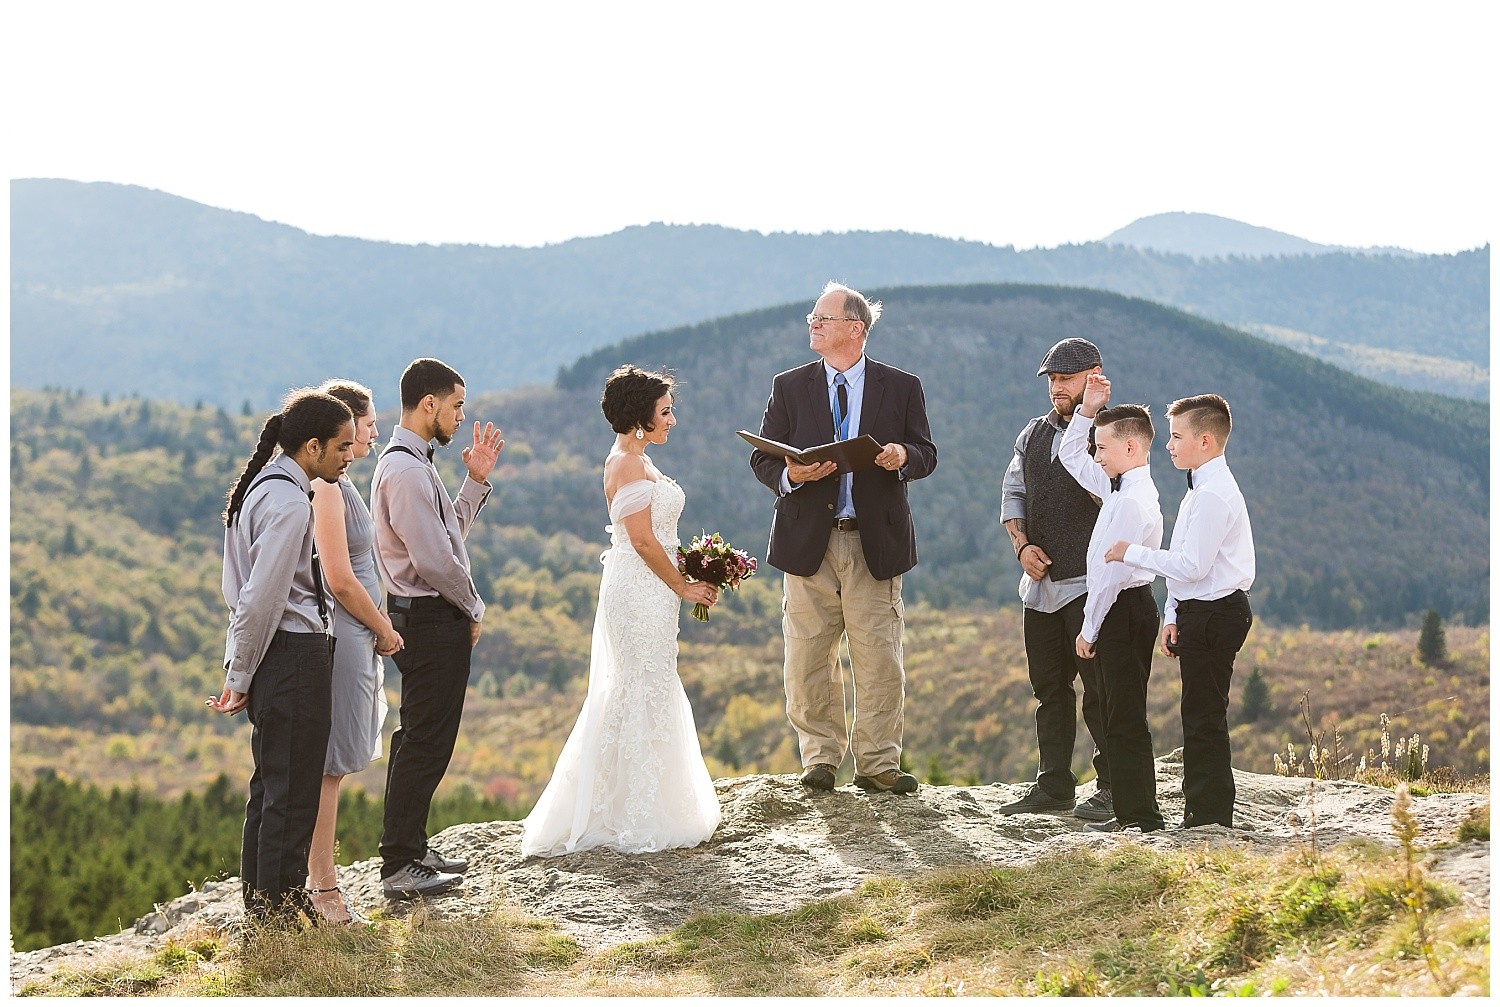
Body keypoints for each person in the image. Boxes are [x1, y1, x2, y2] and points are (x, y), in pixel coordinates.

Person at [521, 365, 722, 856]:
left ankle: (643, 799)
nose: (673, 420)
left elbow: (657, 535)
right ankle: (627, 811)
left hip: (651, 587)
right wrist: (682, 586)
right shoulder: (626, 464)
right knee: (639, 683)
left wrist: (698, 566)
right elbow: (640, 538)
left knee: (650, 682)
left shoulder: (638, 458)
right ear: (640, 418)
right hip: (640, 588)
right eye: (666, 412)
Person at [750, 281, 937, 795]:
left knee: (879, 657)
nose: (812, 323)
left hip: (873, 542)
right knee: (808, 656)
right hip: (807, 541)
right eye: (813, 317)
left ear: (855, 329)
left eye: (822, 317)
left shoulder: (901, 386)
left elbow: (927, 453)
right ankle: (820, 759)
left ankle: (878, 764)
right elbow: (762, 458)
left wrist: (902, 457)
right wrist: (792, 476)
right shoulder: (788, 385)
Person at [211, 388, 355, 925]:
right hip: (291, 653)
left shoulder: (261, 488)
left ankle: (263, 911)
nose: (349, 455)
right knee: (292, 795)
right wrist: (240, 671)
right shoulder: (292, 502)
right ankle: (280, 916)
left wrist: (242, 666)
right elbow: (262, 596)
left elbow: (246, 591)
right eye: (341, 447)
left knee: (271, 787)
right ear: (312, 447)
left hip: (275, 655)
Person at [371, 358, 504, 899]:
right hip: (428, 620)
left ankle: (411, 847)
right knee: (426, 740)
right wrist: (473, 606)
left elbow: (448, 536)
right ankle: (400, 863)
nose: (459, 418)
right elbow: (433, 561)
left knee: (422, 737)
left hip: (428, 617)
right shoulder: (403, 469)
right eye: (456, 407)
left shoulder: (414, 463)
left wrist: (474, 483)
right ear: (429, 404)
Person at [1105, 393, 1254, 829]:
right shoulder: (1200, 489)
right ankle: (1201, 810)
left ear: (1205, 441)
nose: (1168, 445)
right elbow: (1188, 569)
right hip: (1198, 611)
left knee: (1205, 716)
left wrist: (1133, 553)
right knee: (1198, 712)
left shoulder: (1212, 497)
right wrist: (1172, 614)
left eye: (1176, 437)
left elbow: (1191, 565)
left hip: (1216, 612)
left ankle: (1209, 816)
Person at [998, 337, 1112, 819]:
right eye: (1052, 380)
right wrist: (1022, 546)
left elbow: (1120, 500)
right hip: (1041, 588)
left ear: (1095, 376)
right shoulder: (1033, 433)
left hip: (1093, 586)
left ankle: (1113, 784)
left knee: (1101, 691)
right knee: (1049, 691)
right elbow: (1013, 493)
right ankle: (1054, 786)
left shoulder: (1113, 432)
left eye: (1065, 379)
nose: (1056, 388)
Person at [304, 379, 404, 924]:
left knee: (337, 762)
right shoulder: (326, 490)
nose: (373, 431)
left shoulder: (344, 486)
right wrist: (383, 628)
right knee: (331, 764)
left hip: (355, 635)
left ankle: (321, 883)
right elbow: (340, 578)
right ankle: (323, 889)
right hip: (344, 633)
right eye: (368, 422)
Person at [1057, 374, 1166, 833]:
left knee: (1122, 717)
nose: (1095, 456)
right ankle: (1131, 811)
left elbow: (1109, 576)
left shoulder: (1127, 500)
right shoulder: (1119, 487)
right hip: (1128, 608)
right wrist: (1088, 410)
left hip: (1122, 608)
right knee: (1119, 713)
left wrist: (1089, 627)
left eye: (1102, 448)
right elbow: (1068, 455)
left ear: (1131, 449)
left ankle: (1139, 815)